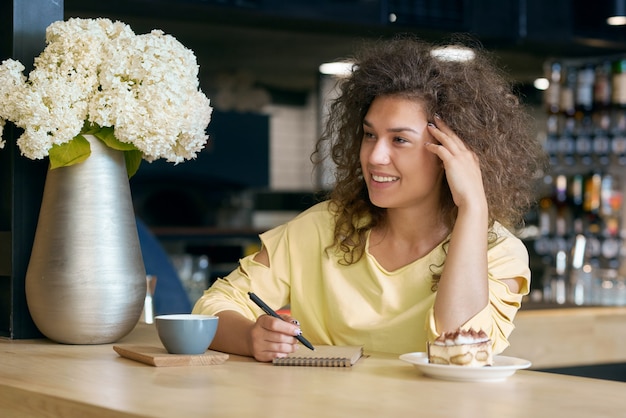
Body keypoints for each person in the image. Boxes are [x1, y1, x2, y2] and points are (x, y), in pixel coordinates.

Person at [192, 35, 547, 362]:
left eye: (399, 140)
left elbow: (461, 350)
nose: (374, 156)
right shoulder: (321, 228)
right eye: (369, 135)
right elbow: (211, 307)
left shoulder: (498, 252)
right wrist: (251, 337)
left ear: (453, 155)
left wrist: (473, 207)